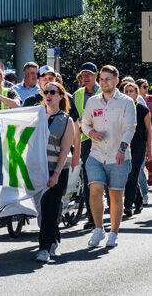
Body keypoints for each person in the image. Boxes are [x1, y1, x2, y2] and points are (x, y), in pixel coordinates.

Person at [82, 65, 136, 248]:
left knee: (115, 195)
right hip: (96, 155)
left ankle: (114, 232)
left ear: (116, 81)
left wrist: (122, 149)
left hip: (118, 156)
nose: (104, 82)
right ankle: (98, 229)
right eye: (102, 79)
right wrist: (91, 133)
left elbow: (130, 128)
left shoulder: (127, 102)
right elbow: (85, 124)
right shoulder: (92, 102)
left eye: (108, 79)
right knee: (95, 189)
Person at [36, 82, 75, 262]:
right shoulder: (37, 116)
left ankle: (44, 247)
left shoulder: (66, 120)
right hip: (39, 170)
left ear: (61, 96)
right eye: (46, 92)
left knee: (51, 207)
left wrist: (56, 174)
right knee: (44, 209)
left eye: (53, 92)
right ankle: (53, 240)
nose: (48, 95)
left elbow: (65, 150)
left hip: (57, 170)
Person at [23, 66, 80, 168]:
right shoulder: (30, 101)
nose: (47, 81)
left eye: (51, 79)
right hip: (36, 160)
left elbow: (76, 128)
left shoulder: (67, 99)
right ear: (38, 81)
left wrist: (76, 154)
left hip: (62, 159)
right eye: (44, 79)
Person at [73, 62, 102, 230]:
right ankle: (91, 217)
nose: (86, 77)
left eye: (89, 74)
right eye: (83, 74)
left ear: (95, 75)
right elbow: (75, 119)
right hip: (85, 141)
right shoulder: (77, 94)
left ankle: (109, 210)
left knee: (105, 178)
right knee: (89, 178)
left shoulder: (104, 91)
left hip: (104, 141)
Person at [122, 83, 150, 216]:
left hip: (139, 145)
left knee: (133, 174)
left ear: (137, 93)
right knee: (128, 174)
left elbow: (149, 131)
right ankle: (138, 201)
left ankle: (127, 206)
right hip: (125, 144)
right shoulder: (121, 109)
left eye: (131, 91)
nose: (128, 94)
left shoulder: (143, 110)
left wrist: (149, 150)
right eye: (126, 91)